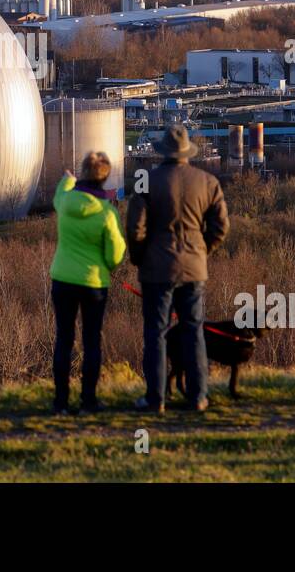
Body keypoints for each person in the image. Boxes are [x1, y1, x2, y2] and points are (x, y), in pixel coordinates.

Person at [125, 124, 229, 413]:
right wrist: (202, 250)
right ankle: (198, 397)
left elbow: (135, 228)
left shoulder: (146, 182)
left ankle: (156, 398)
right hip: (194, 269)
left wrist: (139, 257)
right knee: (193, 330)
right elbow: (221, 226)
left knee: (155, 333)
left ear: (162, 152)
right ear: (187, 153)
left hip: (157, 270)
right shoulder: (207, 182)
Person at [48, 151, 126, 415]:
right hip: (93, 283)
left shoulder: (66, 203)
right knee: (91, 341)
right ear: (104, 177)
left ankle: (60, 403)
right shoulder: (106, 213)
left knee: (64, 339)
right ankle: (88, 402)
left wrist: (68, 180)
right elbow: (116, 253)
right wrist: (107, 266)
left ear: (83, 172)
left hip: (62, 279)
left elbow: (60, 193)